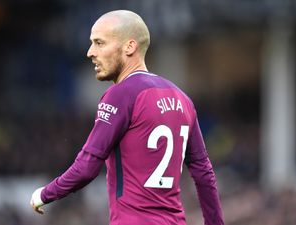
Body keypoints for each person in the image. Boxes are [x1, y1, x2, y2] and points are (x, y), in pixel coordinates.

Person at [30, 10, 224, 225]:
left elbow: (87, 167)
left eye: (99, 43)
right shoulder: (182, 99)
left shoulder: (121, 95)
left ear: (129, 47)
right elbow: (203, 172)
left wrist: (44, 194)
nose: (90, 52)